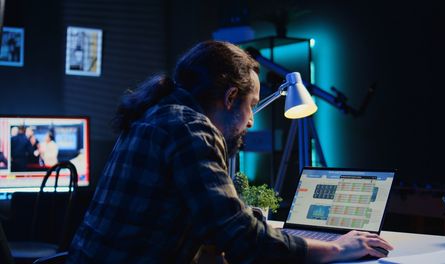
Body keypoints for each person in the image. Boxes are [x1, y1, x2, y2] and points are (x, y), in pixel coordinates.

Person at [67, 40, 393, 263]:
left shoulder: (155, 114)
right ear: (230, 97)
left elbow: (221, 216)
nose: (252, 120)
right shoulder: (191, 128)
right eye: (252, 105)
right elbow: (240, 238)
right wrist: (336, 248)